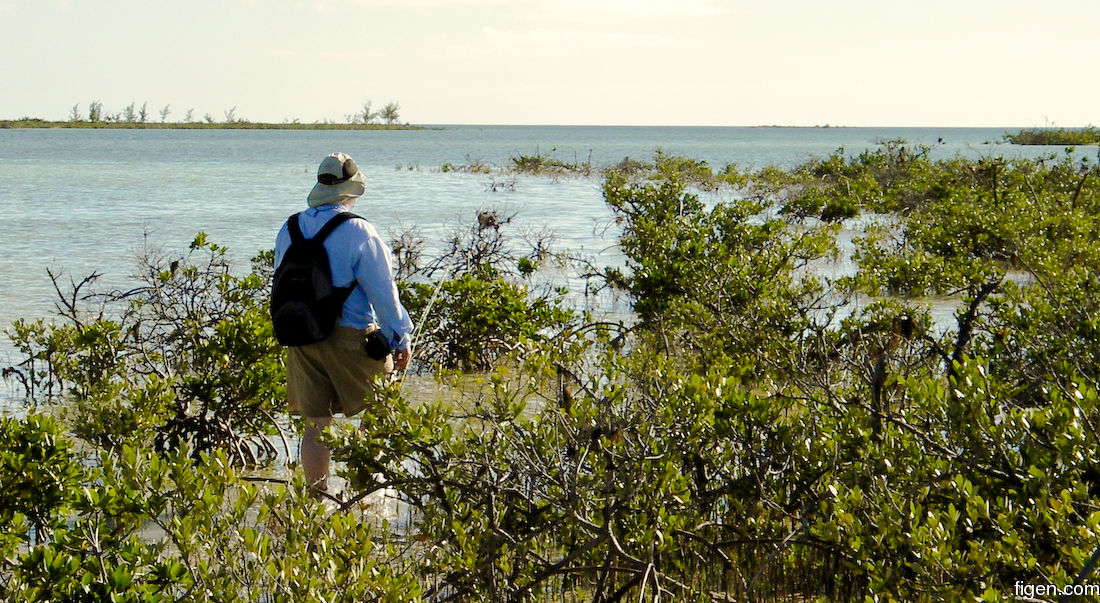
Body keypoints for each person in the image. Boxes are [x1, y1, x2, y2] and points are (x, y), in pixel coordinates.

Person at [274, 152, 413, 496]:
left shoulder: (289, 227)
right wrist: (400, 336)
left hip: (302, 339)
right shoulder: (358, 230)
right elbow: (384, 292)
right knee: (378, 414)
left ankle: (316, 502)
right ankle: (367, 497)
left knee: (315, 427)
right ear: (351, 191)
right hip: (352, 339)